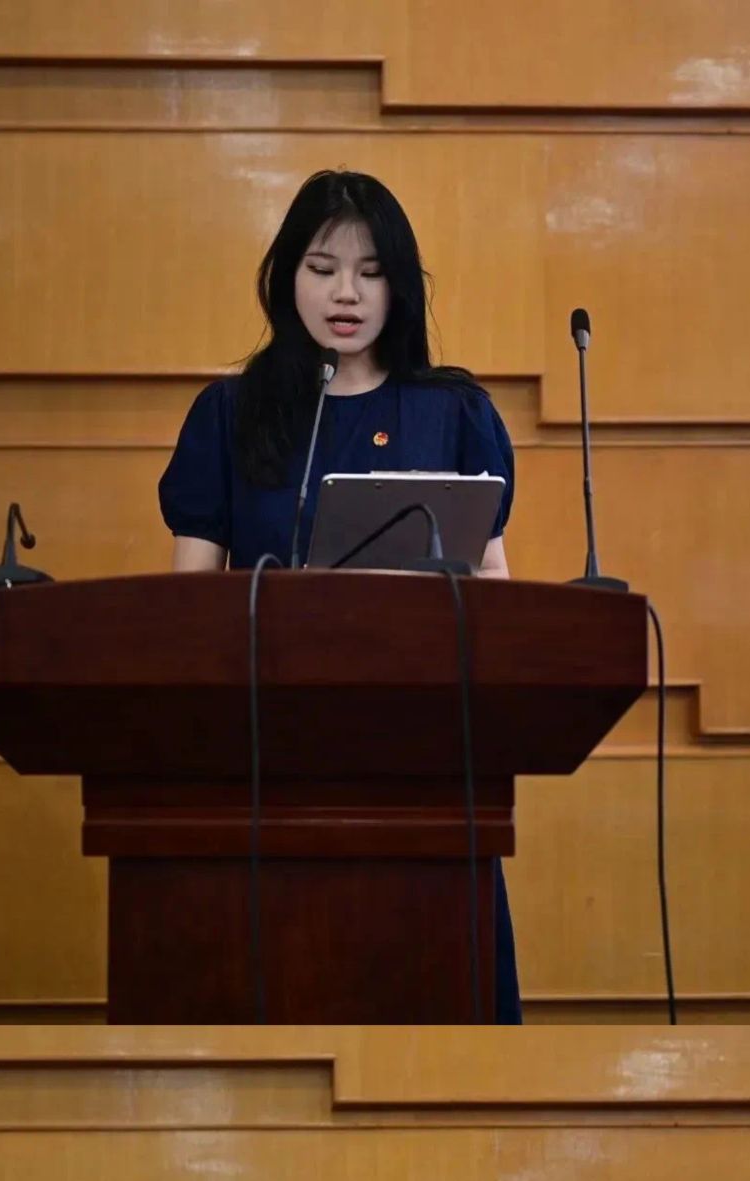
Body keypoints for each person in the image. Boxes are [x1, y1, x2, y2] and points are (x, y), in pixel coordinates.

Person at [159, 169, 522, 1021]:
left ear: (401, 285)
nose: (347, 294)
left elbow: (493, 586)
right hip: (270, 746)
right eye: (322, 269)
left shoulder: (454, 412)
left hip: (421, 746)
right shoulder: (230, 413)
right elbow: (188, 607)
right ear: (287, 277)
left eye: (371, 271)